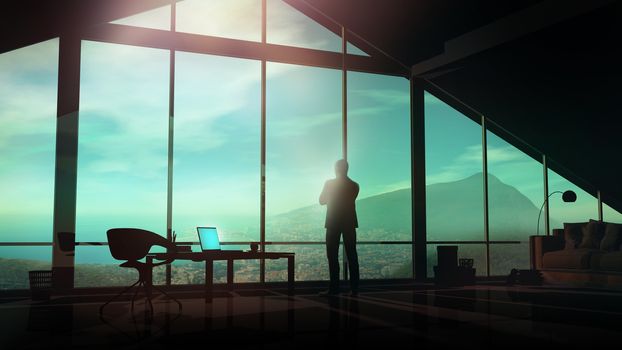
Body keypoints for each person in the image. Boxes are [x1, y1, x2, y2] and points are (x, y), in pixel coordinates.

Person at [319, 159, 360, 296]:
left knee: (332, 256)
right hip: (349, 222)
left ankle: (334, 288)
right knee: (352, 255)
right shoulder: (355, 185)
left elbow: (321, 201)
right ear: (347, 169)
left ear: (336, 168)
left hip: (333, 222)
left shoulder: (329, 184)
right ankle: (355, 289)